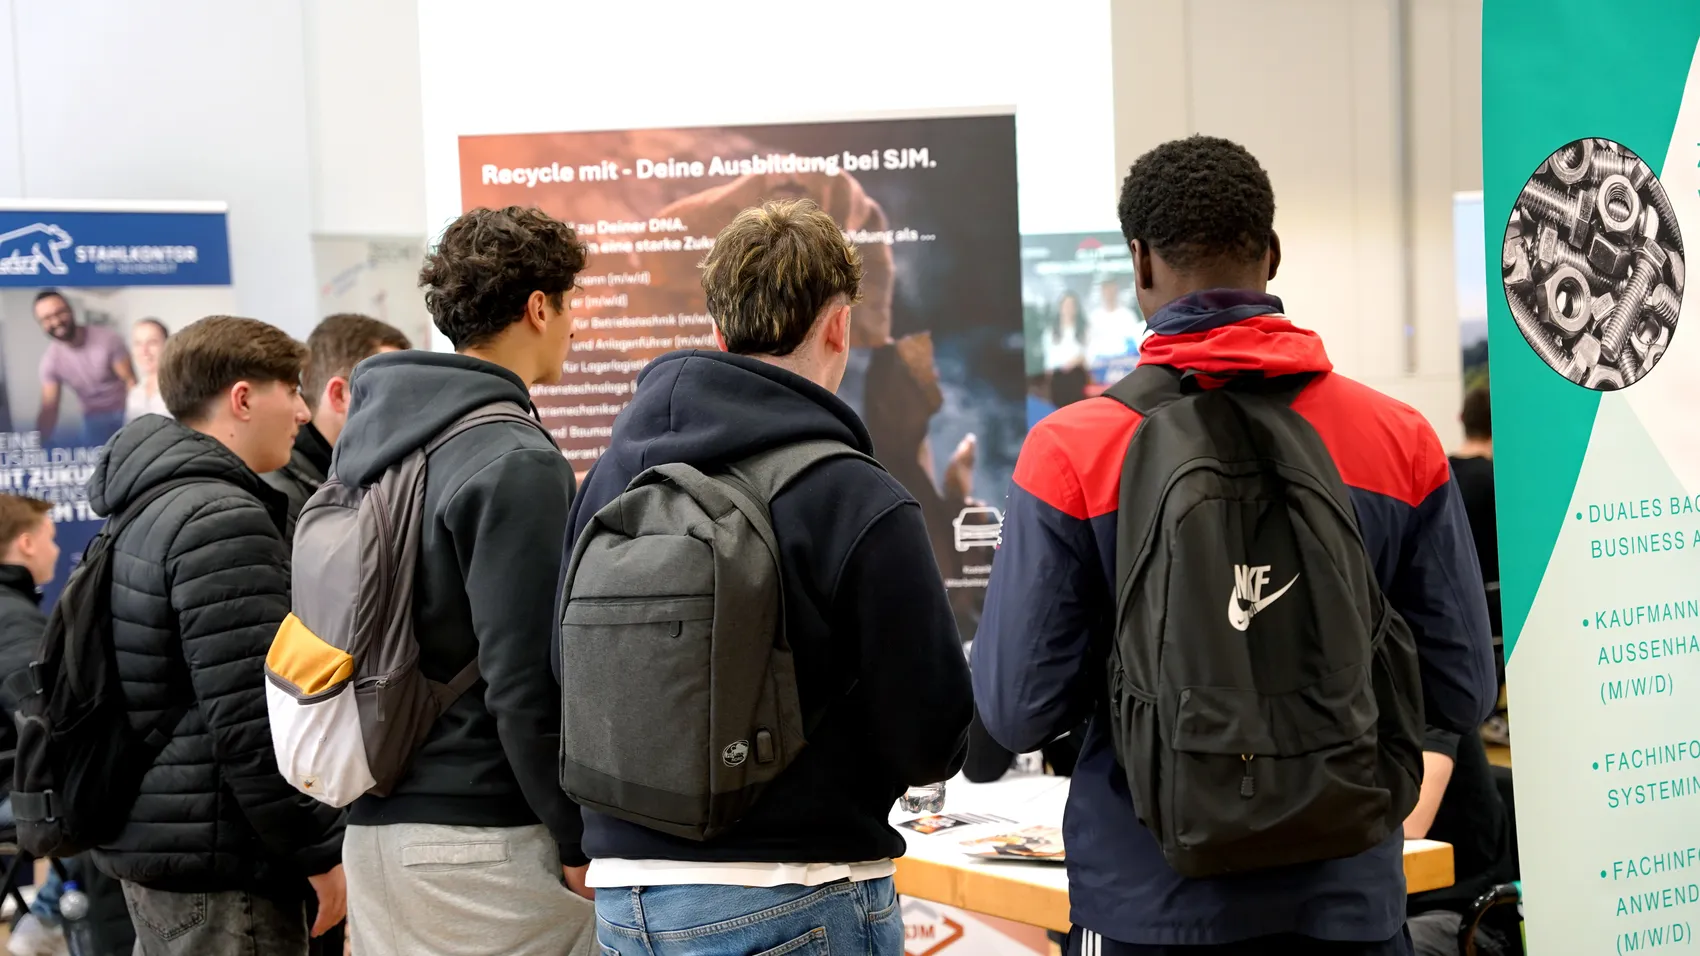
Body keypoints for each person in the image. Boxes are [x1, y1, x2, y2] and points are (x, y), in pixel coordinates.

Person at [973, 136, 1496, 955]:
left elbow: (1015, 708)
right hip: (1347, 905)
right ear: (1273, 256)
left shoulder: (1072, 453)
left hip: (1152, 903)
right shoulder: (1399, 440)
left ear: (1139, 264)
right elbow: (1462, 694)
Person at [566, 199, 973, 956]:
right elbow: (930, 737)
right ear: (839, 326)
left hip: (625, 899)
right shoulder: (857, 495)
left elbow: (562, 669)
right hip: (796, 892)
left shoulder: (610, 483)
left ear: (718, 332)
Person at [334, 206, 593, 956]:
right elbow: (523, 681)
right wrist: (576, 837)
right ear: (538, 308)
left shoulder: (374, 447)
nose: (574, 327)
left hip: (378, 832)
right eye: (570, 305)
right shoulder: (515, 456)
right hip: (483, 847)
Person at [84, 316, 346, 956]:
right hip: (221, 860)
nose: (304, 412)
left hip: (169, 843)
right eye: (292, 389)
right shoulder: (220, 518)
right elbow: (253, 720)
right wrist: (319, 852)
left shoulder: (148, 504)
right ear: (243, 397)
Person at [263, 313, 411, 532]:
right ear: (339, 395)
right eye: (394, 392)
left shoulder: (362, 473)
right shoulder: (279, 501)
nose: (408, 408)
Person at [0, 495, 63, 956]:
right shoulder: (15, 621)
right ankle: (49, 921)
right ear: (26, 543)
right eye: (51, 538)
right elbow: (44, 721)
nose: (57, 550)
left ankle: (47, 915)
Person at [34, 291, 135, 446]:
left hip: (124, 412)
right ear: (41, 325)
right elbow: (49, 407)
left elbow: (130, 382)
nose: (55, 321)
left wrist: (137, 419)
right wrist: (37, 444)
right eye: (47, 318)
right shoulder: (50, 362)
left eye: (59, 312)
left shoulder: (108, 339)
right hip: (92, 418)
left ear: (71, 310)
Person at [1085, 276, 1144, 364]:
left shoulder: (1128, 315)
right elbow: (1089, 343)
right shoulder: (1094, 317)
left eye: (1111, 289)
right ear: (1102, 292)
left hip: (1123, 362)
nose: (1109, 293)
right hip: (1100, 363)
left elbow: (1134, 341)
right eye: (1106, 290)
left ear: (1116, 290)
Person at [125, 318, 170, 422]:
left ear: (168, 345)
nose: (144, 350)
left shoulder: (183, 389)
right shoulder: (135, 393)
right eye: (138, 343)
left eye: (152, 342)